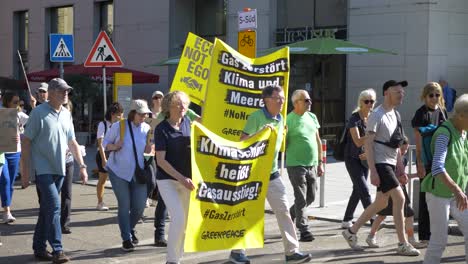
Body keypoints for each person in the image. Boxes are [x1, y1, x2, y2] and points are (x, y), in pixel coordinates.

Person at [229, 85, 312, 264]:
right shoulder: (256, 117)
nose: (282, 101)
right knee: (247, 214)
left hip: (272, 174)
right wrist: (261, 132)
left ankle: (292, 252)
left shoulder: (281, 118)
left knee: (284, 211)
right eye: (278, 98)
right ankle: (237, 252)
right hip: (252, 175)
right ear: (267, 100)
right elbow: (242, 142)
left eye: (282, 98)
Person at [342, 80, 420, 256]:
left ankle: (351, 232)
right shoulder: (376, 115)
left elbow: (397, 146)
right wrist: (374, 171)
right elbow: (368, 144)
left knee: (381, 202)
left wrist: (401, 170)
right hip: (381, 163)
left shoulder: (397, 115)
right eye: (397, 92)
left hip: (391, 164)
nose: (401, 95)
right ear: (386, 93)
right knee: (399, 199)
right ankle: (402, 243)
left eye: (402, 92)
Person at [21, 78, 88, 263]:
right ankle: (58, 249)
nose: (65, 93)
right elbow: (26, 142)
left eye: (67, 90)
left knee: (46, 210)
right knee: (55, 207)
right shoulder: (38, 113)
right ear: (50, 93)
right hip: (43, 170)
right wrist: (25, 172)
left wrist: (82, 166)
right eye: (61, 90)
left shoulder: (66, 113)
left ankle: (39, 247)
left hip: (61, 168)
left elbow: (72, 141)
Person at [421, 94, 468, 263]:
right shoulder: (444, 133)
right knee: (439, 240)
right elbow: (437, 168)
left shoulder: (463, 134)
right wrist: (457, 190)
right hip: (438, 194)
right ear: (461, 115)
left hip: (457, 195)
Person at [151, 89, 201, 248]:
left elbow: (209, 127)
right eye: (178, 104)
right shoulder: (161, 129)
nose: (182, 107)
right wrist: (182, 179)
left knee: (185, 223)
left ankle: (176, 258)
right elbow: (161, 161)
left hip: (187, 180)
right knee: (178, 218)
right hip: (168, 180)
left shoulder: (189, 123)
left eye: (185, 104)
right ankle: (171, 260)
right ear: (169, 106)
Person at [103, 99, 152, 252]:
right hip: (118, 171)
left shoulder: (147, 128)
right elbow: (105, 144)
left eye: (145, 114)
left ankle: (129, 228)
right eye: (141, 114)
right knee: (124, 205)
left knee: (138, 207)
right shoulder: (119, 126)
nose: (144, 117)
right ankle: (126, 238)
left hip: (138, 172)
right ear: (133, 113)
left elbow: (147, 150)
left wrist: (149, 149)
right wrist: (115, 146)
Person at [366, 136, 426, 249]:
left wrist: (415, 175)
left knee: (409, 213)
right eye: (402, 150)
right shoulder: (390, 160)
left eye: (406, 150)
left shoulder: (403, 159)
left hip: (401, 189)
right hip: (390, 189)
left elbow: (403, 176)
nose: (404, 152)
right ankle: (371, 236)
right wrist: (404, 178)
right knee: (382, 214)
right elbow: (390, 178)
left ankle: (411, 239)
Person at [411, 82, 448, 243]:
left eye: (437, 94)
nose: (434, 98)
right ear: (425, 96)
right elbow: (418, 141)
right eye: (431, 95)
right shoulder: (421, 113)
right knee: (425, 198)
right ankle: (424, 236)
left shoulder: (443, 112)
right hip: (426, 160)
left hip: (441, 161)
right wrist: (419, 162)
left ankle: (437, 234)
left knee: (440, 197)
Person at [285, 89, 324, 242]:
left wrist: (320, 162)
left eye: (309, 99)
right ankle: (304, 229)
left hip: (312, 164)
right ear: (296, 103)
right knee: (301, 198)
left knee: (311, 196)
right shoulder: (288, 119)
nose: (310, 102)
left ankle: (290, 214)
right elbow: (283, 144)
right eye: (306, 100)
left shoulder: (312, 116)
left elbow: (318, 141)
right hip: (296, 164)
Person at [341, 89, 376, 229]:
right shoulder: (354, 118)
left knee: (357, 190)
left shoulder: (373, 117)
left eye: (371, 101)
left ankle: (346, 219)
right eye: (366, 101)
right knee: (364, 189)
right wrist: (373, 133)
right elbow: (357, 141)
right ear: (360, 102)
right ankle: (373, 219)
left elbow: (376, 141)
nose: (369, 104)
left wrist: (368, 153)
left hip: (365, 159)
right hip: (352, 158)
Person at [1, 91, 28, 223]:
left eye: (19, 102)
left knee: (10, 183)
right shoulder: (1, 112)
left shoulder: (19, 114)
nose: (18, 104)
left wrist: (21, 136)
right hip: (1, 153)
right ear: (7, 102)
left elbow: (35, 122)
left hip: (15, 151)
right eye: (15, 102)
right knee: (5, 180)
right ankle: (7, 211)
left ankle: (7, 207)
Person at [95, 102, 124, 211]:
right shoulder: (103, 124)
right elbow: (100, 143)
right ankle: (100, 202)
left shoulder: (121, 125)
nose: (121, 116)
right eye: (119, 114)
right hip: (104, 154)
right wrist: (104, 159)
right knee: (102, 179)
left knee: (119, 180)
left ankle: (122, 202)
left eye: (122, 114)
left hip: (116, 154)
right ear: (112, 114)